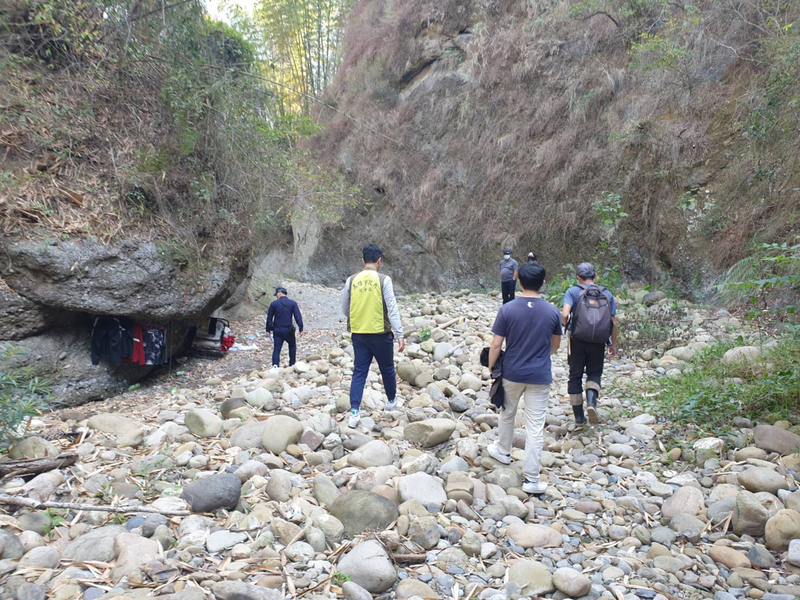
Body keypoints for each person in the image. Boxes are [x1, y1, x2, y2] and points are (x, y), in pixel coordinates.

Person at [486, 261, 562, 495]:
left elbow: (496, 344)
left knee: (507, 413)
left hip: (512, 372)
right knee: (535, 426)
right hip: (539, 375)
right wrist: (538, 356)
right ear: (543, 283)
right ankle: (531, 480)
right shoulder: (552, 311)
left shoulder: (508, 309)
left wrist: (491, 368)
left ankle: (503, 451)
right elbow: (555, 346)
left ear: (518, 281)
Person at [341, 244, 405, 428]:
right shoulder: (384, 280)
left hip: (359, 333)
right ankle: (391, 401)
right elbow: (392, 308)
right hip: (380, 333)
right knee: (387, 368)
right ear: (379, 261)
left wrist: (356, 317)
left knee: (359, 371)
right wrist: (399, 333)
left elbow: (345, 307)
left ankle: (354, 413)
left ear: (362, 261)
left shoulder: (351, 280)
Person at [561, 263, 618, 425]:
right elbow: (613, 322)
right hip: (599, 341)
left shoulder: (573, 291)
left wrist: (566, 326)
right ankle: (591, 403)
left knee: (575, 376)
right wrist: (612, 344)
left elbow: (565, 315)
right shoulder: (606, 293)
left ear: (578, 277)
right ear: (595, 276)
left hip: (577, 339)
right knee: (594, 373)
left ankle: (579, 417)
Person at [266, 287, 304, 368]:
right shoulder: (292, 303)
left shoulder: (274, 304)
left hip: (277, 330)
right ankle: (292, 364)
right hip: (288, 330)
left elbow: (269, 318)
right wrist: (301, 329)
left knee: (277, 349)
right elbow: (298, 317)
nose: (276, 296)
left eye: (276, 294)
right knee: (292, 346)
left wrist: (268, 330)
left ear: (279, 293)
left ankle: (275, 366)